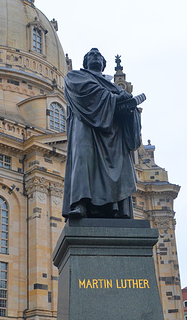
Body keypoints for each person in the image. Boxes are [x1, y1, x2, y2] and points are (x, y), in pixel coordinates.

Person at [62, 48, 145, 219]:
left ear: (103, 63)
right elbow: (86, 94)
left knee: (119, 163)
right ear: (85, 62)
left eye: (98, 55)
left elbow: (125, 110)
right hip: (86, 127)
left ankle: (116, 209)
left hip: (112, 135)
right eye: (91, 55)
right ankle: (81, 203)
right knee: (83, 160)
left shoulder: (114, 87)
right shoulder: (75, 77)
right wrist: (115, 99)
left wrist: (130, 109)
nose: (95, 57)